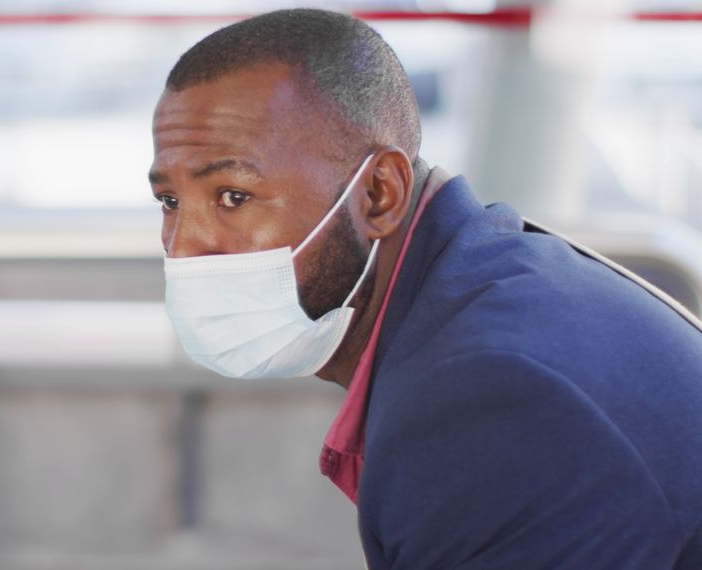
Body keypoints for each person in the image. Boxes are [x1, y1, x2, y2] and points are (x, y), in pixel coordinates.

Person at [148, 8, 702, 569]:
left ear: (380, 195)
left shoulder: (483, 396)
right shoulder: (486, 289)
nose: (185, 244)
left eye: (233, 197)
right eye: (169, 202)